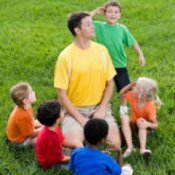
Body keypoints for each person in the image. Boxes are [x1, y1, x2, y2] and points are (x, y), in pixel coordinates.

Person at [54, 11, 121, 150]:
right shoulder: (65, 57)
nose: (93, 27)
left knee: (115, 145)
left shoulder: (102, 51)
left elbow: (110, 84)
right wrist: (80, 119)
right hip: (74, 110)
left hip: (99, 107)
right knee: (74, 148)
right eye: (88, 25)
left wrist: (102, 109)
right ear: (77, 30)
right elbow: (61, 95)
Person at [90, 0, 145, 92]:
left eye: (116, 12)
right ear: (104, 13)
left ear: (120, 15)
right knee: (102, 88)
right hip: (103, 64)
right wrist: (95, 11)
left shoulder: (122, 29)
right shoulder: (98, 26)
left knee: (125, 89)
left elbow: (133, 42)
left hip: (119, 63)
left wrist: (140, 54)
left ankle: (123, 106)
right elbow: (83, 20)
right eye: (110, 11)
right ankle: (105, 104)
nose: (113, 14)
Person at [119, 77, 162, 158]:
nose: (133, 88)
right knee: (124, 117)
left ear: (142, 94)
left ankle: (142, 149)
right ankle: (130, 147)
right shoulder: (133, 96)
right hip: (134, 123)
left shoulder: (150, 106)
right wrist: (130, 85)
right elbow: (121, 94)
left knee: (141, 121)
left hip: (145, 127)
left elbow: (156, 125)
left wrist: (147, 124)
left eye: (136, 87)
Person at [36, 100, 77, 170]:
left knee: (77, 153)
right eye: (61, 111)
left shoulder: (53, 127)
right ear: (57, 119)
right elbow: (58, 159)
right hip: (51, 164)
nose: (63, 111)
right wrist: (76, 158)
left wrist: (74, 145)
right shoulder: (52, 138)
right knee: (78, 164)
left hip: (55, 155)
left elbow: (62, 140)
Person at [6, 82, 42, 146]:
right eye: (31, 92)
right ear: (25, 100)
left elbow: (31, 120)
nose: (34, 92)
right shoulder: (23, 116)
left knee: (43, 122)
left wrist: (38, 125)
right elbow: (30, 134)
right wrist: (43, 129)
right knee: (43, 137)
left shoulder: (26, 106)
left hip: (24, 131)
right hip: (18, 140)